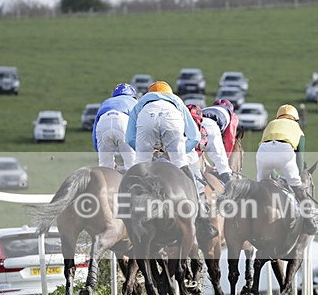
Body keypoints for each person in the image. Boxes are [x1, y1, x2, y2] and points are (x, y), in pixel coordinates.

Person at [126, 81, 214, 237]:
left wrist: (150, 153)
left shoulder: (140, 104)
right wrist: (176, 152)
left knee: (139, 167)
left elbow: (130, 139)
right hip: (172, 119)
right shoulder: (177, 101)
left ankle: (128, 212)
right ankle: (202, 219)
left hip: (146, 118)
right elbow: (194, 137)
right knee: (183, 166)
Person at [256, 103, 317, 234]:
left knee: (260, 186)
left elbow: (268, 149)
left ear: (278, 116)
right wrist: (295, 177)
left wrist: (274, 176)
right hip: (284, 152)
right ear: (295, 118)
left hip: (263, 152)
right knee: (297, 186)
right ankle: (309, 222)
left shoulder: (271, 124)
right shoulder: (297, 128)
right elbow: (299, 159)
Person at [93, 83, 138, 171]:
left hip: (103, 122)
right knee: (131, 165)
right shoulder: (134, 102)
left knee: (105, 166)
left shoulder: (106, 102)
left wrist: (98, 149)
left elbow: (95, 129)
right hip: (123, 121)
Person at [199, 101, 235, 185]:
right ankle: (231, 188)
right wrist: (225, 159)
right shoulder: (232, 115)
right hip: (210, 126)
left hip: (194, 125)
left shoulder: (206, 109)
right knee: (223, 168)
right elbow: (230, 140)